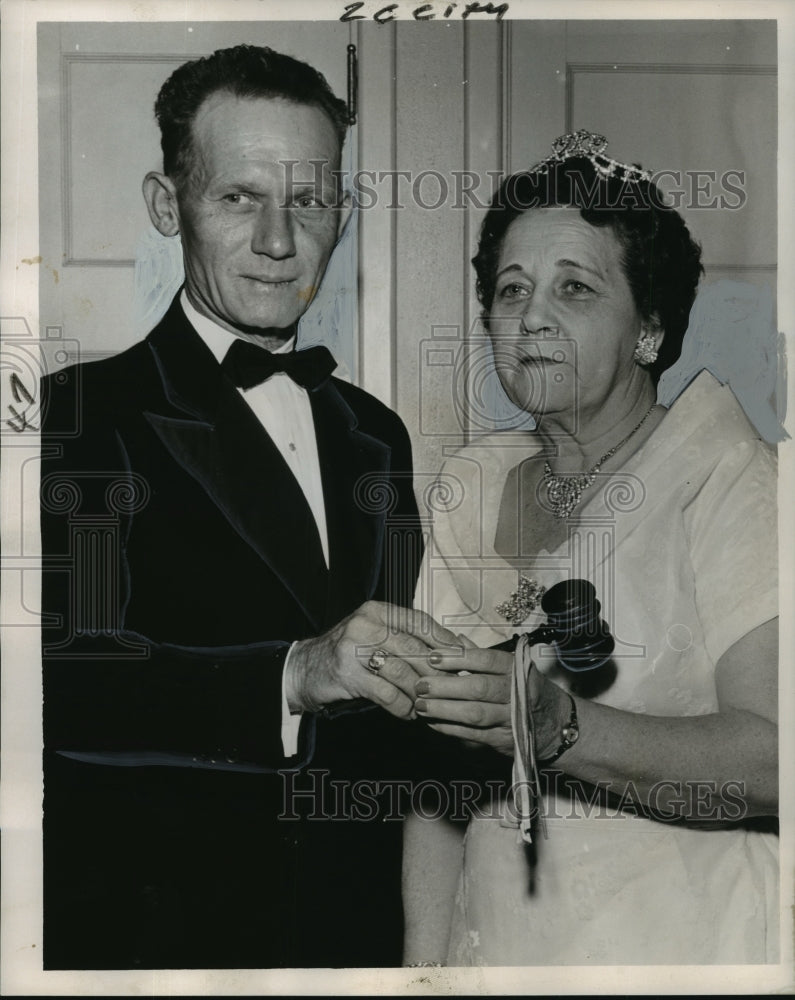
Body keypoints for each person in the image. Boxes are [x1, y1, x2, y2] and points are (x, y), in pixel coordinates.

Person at [40, 44, 451, 970]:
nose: (278, 240)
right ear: (166, 204)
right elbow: (59, 686)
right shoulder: (75, 415)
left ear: (339, 214)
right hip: (159, 943)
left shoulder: (375, 434)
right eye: (238, 197)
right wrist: (292, 674)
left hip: (352, 937)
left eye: (307, 201)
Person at [402, 131, 779, 965]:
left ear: (648, 327)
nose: (530, 316)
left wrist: (563, 727)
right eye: (510, 290)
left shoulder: (729, 479)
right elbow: (434, 783)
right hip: (496, 947)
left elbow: (775, 761)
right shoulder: (465, 494)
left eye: (573, 288)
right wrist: (422, 974)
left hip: (680, 946)